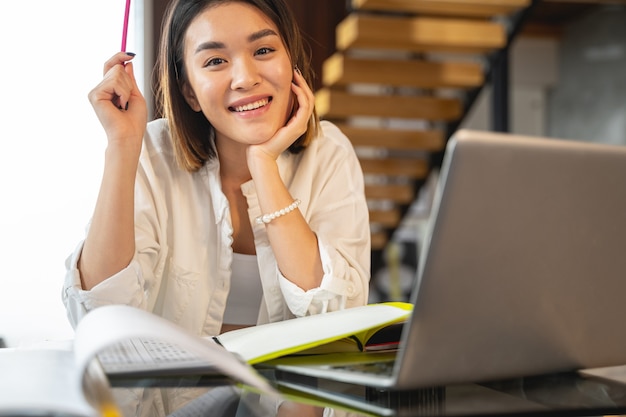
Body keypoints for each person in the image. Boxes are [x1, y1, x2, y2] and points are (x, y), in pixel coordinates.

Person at [62, 0, 370, 339]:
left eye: (264, 50)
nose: (245, 78)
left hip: (281, 395)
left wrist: (264, 166)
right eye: (216, 61)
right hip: (172, 393)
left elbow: (339, 315)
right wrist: (121, 144)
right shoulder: (151, 152)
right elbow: (98, 314)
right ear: (189, 92)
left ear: (291, 62)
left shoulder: (329, 153)